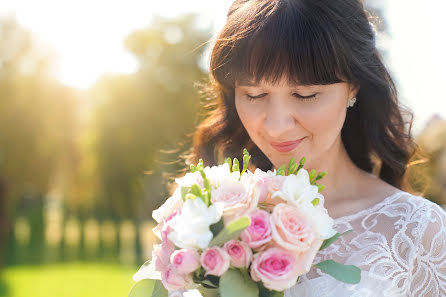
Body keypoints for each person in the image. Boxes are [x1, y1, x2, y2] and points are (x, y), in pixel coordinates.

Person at [181, 0, 446, 296]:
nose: (276, 125)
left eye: (305, 94)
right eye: (254, 94)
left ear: (353, 86)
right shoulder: (209, 219)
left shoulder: (419, 231)